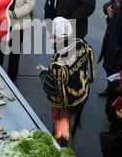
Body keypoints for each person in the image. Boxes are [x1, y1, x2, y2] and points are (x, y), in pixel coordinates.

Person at [38, 17, 95, 148]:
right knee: (73, 120)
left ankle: (64, 151)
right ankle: (70, 143)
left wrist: (42, 75)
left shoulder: (58, 61)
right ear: (71, 32)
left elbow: (51, 88)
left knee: (60, 132)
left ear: (53, 34)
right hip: (82, 93)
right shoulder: (82, 43)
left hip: (65, 103)